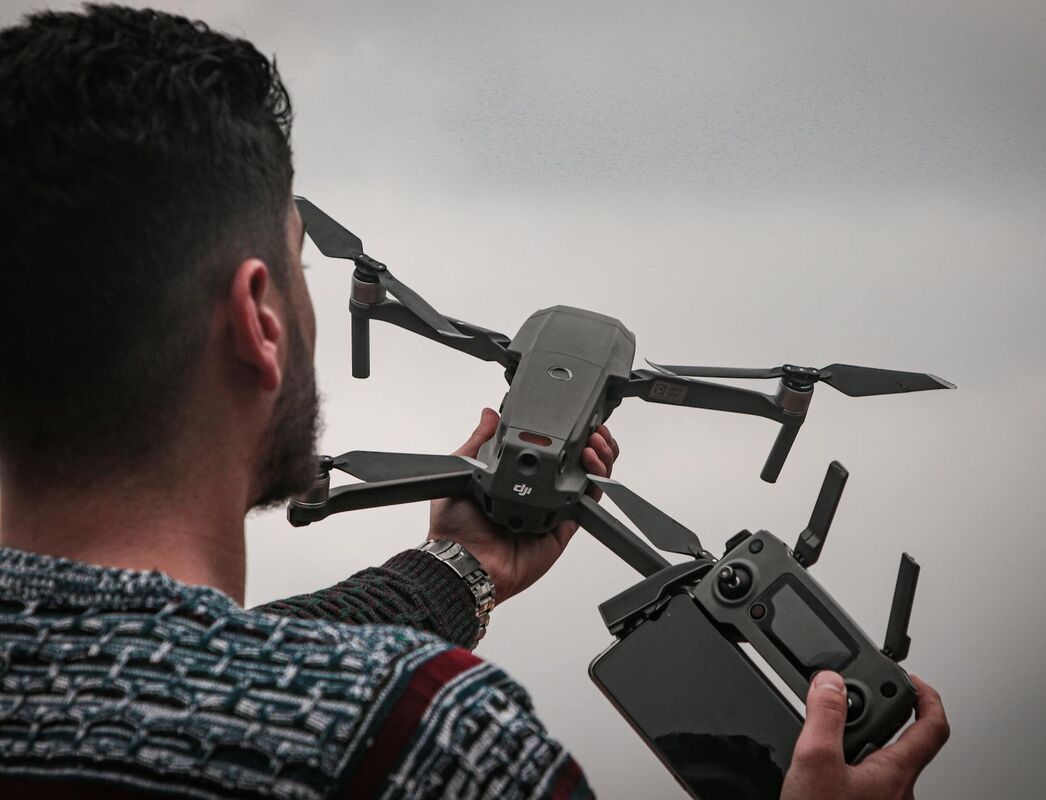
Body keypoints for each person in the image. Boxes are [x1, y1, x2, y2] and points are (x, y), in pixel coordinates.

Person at [0, 5, 948, 798]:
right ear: (260, 319)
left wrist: (461, 566)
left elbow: (192, 658)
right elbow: (227, 676)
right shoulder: (430, 742)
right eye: (299, 265)